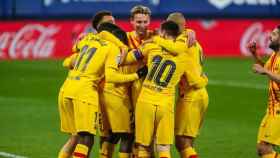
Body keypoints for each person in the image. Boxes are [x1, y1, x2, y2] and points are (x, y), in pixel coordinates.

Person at [61, 29, 147, 158]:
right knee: (87, 138)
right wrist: (136, 75)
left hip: (66, 88)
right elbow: (111, 76)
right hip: (85, 92)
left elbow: (72, 52)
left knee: (77, 136)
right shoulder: (113, 49)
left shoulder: (89, 39)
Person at [133, 21, 208, 158]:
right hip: (168, 103)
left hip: (151, 100)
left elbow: (194, 81)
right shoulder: (186, 48)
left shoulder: (155, 46)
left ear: (164, 33)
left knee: (147, 146)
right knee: (164, 147)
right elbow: (196, 78)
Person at [248, 25, 280, 158]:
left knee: (264, 148)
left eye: (274, 34)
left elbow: (267, 72)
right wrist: (255, 54)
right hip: (272, 109)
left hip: (279, 111)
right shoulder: (275, 55)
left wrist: (265, 71)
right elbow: (266, 69)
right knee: (262, 150)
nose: (269, 36)